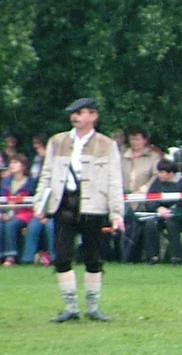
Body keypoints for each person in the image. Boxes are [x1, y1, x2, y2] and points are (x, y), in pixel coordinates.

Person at [33, 98, 123, 321]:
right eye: (73, 113)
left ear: (93, 116)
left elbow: (114, 181)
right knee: (62, 256)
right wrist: (39, 204)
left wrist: (116, 214)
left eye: (79, 113)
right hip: (64, 206)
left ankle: (93, 307)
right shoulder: (58, 141)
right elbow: (46, 175)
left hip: (93, 207)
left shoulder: (106, 144)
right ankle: (71, 307)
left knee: (93, 257)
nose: (74, 117)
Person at [121, 128, 162, 261]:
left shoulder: (153, 156)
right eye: (132, 139)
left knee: (140, 222)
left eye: (138, 138)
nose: (135, 142)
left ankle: (138, 254)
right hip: (124, 196)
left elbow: (156, 176)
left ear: (144, 140)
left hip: (144, 197)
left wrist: (143, 189)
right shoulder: (122, 156)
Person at [147, 158, 182, 263]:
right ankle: (154, 256)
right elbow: (149, 199)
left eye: (162, 172)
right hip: (159, 214)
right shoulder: (156, 182)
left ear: (170, 173)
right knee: (150, 224)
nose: (159, 175)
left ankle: (176, 256)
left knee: (171, 223)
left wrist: (171, 211)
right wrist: (158, 208)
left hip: (178, 215)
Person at [1, 153, 36, 266]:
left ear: (23, 166)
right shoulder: (5, 182)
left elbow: (33, 201)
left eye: (16, 162)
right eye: (11, 162)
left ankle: (10, 257)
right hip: (6, 212)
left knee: (11, 225)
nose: (12, 165)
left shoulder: (31, 182)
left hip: (24, 214)